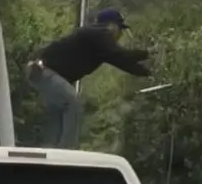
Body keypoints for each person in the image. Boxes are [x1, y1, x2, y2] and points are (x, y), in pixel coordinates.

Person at [25, 8, 150, 149]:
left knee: (59, 111)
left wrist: (148, 73)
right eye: (120, 29)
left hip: (41, 71)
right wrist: (148, 53)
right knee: (73, 103)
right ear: (111, 25)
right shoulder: (99, 33)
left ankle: (51, 149)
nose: (120, 34)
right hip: (43, 69)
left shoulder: (99, 43)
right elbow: (122, 55)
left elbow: (122, 62)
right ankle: (67, 151)